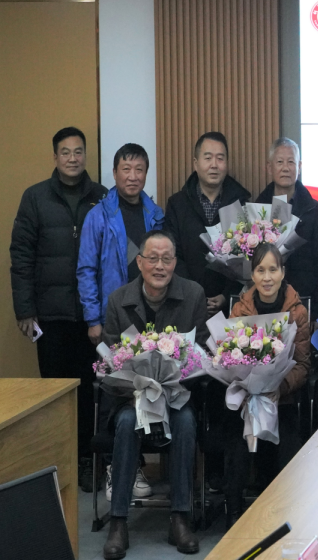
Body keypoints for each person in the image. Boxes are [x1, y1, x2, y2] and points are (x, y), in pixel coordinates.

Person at [10, 126, 107, 490]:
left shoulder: (102, 197)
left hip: (91, 317)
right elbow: (21, 256)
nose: (72, 158)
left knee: (91, 392)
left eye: (78, 151)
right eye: (65, 152)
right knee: (54, 392)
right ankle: (55, 464)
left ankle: (86, 461)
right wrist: (25, 309)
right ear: (55, 157)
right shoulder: (35, 198)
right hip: (50, 316)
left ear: (85, 155)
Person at [100, 230, 207, 558]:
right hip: (131, 397)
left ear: (174, 262)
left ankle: (180, 517)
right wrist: (138, 386)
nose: (159, 266)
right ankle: (118, 522)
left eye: (167, 259)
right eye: (153, 258)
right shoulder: (118, 300)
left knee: (185, 421)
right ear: (140, 262)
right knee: (125, 422)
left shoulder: (193, 294)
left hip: (176, 396)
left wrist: (176, 379)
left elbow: (202, 353)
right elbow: (110, 363)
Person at [223, 242, 310, 528]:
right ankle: (234, 513)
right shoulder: (240, 310)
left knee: (288, 445)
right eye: (260, 270)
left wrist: (279, 388)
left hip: (282, 399)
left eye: (273, 269)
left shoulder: (297, 312)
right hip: (247, 401)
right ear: (252, 275)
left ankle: (285, 515)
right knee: (235, 441)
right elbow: (228, 357)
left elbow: (302, 365)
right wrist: (246, 384)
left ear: (283, 273)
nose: (267, 277)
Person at [78, 143, 165, 341]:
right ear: (115, 173)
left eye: (139, 170)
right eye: (126, 169)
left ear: (146, 174)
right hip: (114, 314)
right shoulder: (98, 216)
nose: (133, 176)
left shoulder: (156, 215)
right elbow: (86, 270)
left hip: (152, 310)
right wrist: (93, 320)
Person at [163, 131, 250, 318]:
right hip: (185, 304)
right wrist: (194, 294)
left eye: (220, 158)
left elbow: (247, 256)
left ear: (227, 163)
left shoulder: (241, 203)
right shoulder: (177, 205)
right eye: (208, 158)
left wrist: (227, 295)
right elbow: (172, 255)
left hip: (230, 309)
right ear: (195, 163)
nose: (214, 165)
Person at [254, 137, 318, 308]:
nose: (285, 168)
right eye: (280, 162)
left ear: (299, 166)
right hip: (266, 302)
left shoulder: (314, 210)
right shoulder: (256, 209)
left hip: (305, 300)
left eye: (291, 162)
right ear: (269, 167)